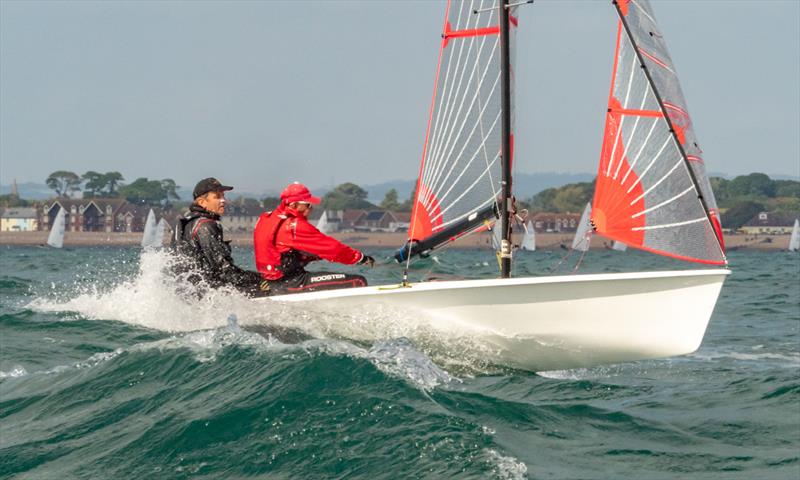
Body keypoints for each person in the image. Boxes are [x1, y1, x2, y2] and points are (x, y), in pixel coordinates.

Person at [254, 182, 374, 294]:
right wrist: (360, 258)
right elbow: (332, 248)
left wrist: (315, 256)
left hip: (270, 282)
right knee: (358, 281)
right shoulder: (294, 226)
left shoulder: (265, 219)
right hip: (292, 282)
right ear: (293, 205)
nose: (310, 208)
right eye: (307, 205)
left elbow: (279, 252)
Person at [172, 177, 270, 297]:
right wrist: (261, 280)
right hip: (208, 295)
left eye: (223, 196)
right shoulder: (206, 226)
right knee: (268, 286)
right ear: (202, 202)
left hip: (190, 293)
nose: (223, 200)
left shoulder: (186, 223)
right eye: (217, 197)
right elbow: (224, 270)